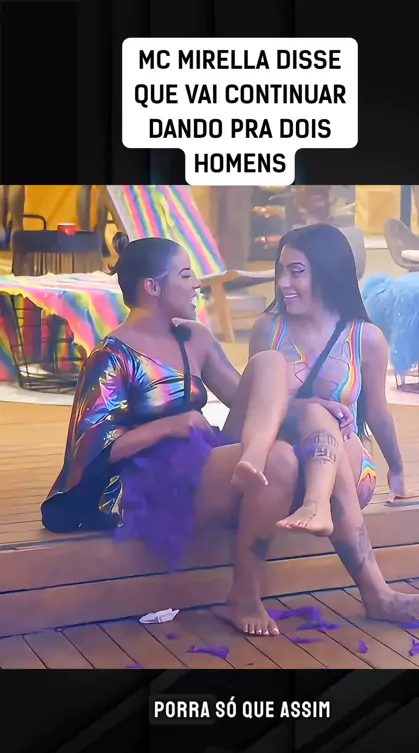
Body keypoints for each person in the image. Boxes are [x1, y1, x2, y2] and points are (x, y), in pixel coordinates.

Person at [41, 233, 298, 637]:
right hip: (145, 481)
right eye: (185, 274)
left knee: (270, 363)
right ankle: (245, 596)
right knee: (280, 461)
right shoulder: (111, 356)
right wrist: (170, 425)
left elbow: (247, 399)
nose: (197, 283)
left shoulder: (195, 337)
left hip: (204, 454)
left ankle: (256, 456)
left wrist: (311, 409)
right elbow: (89, 450)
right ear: (153, 287)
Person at [248, 223, 419, 625]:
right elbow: (255, 399)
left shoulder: (364, 338)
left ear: (327, 272)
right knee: (313, 419)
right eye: (280, 270)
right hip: (278, 466)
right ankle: (377, 593)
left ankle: (321, 508)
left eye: (296, 271)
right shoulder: (269, 329)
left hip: (349, 468)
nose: (283, 283)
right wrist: (309, 406)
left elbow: (378, 412)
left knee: (339, 439)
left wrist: (398, 471)